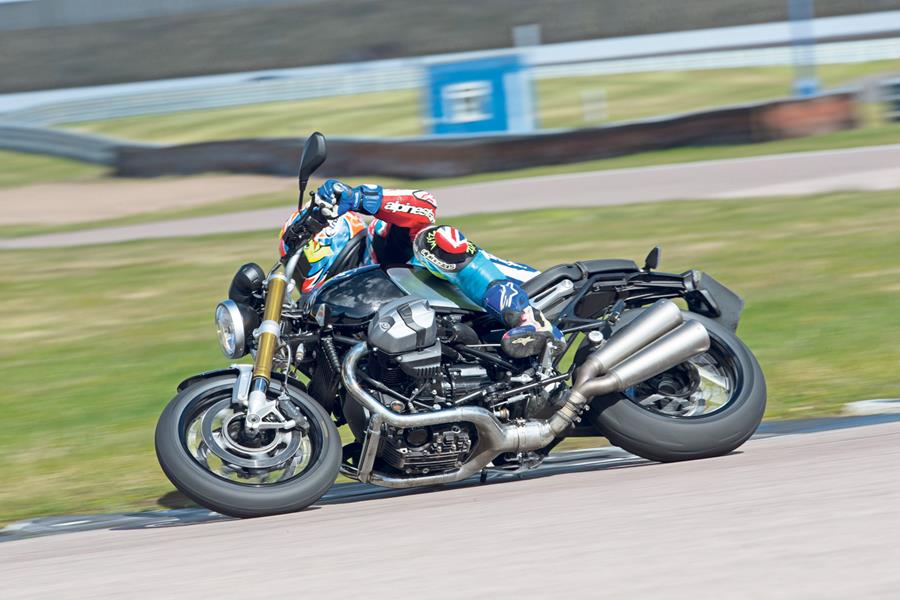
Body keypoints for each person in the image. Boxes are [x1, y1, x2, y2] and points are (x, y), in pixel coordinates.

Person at [280, 180, 563, 359]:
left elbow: (424, 205)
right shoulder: (344, 307)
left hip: (532, 289)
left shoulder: (381, 241)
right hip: (473, 343)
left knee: (432, 239)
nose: (299, 277)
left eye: (300, 265)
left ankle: (529, 319)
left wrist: (361, 198)